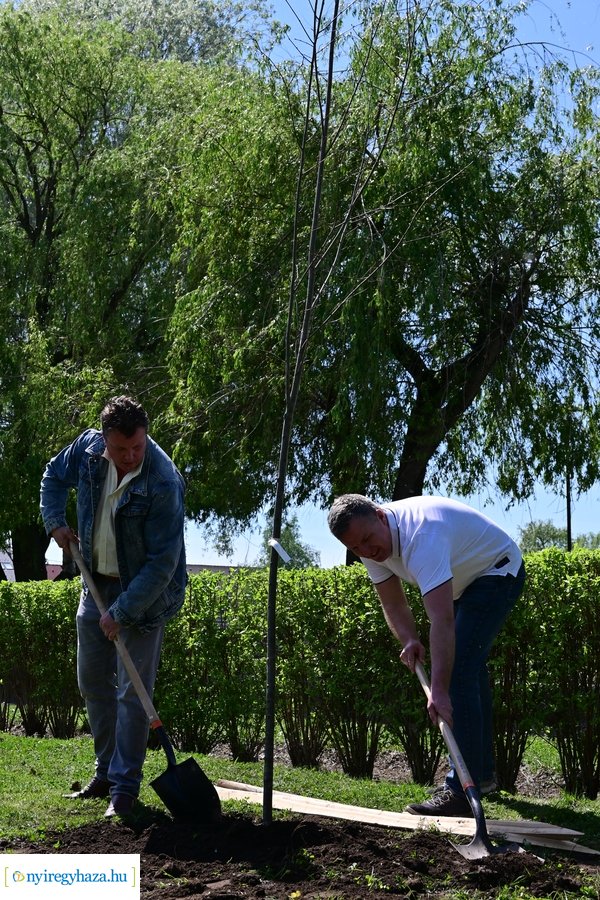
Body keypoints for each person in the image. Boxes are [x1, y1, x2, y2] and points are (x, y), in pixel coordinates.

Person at [327, 493, 525, 817]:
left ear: (379, 516)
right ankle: (482, 776)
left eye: (367, 541)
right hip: (465, 580)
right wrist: (408, 638)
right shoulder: (367, 542)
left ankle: (460, 791)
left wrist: (440, 692)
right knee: (469, 670)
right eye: (356, 549)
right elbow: (392, 603)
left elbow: (441, 621)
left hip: (497, 571)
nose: (367, 552)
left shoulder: (422, 535)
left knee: (458, 672)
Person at [40, 396, 187, 819]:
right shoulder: (87, 452)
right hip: (94, 580)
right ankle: (104, 772)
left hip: (145, 594)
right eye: (120, 450)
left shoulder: (162, 481)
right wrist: (54, 521)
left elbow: (163, 563)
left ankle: (124, 788)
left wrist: (121, 612)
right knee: (92, 681)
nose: (129, 457)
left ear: (145, 436)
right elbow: (52, 476)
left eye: (136, 448)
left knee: (131, 693)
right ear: (105, 440)